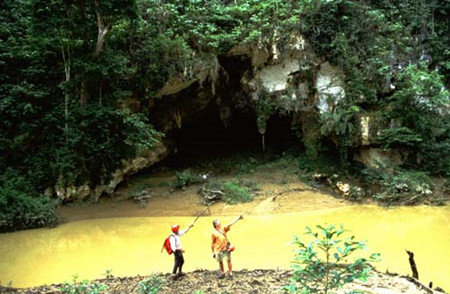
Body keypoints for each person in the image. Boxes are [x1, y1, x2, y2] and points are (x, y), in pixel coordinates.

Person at [211, 215, 243, 279]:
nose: (220, 223)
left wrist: (237, 219)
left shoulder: (223, 229)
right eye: (219, 222)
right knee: (220, 261)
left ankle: (230, 272)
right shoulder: (213, 233)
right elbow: (213, 243)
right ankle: (223, 273)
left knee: (229, 260)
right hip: (219, 250)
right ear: (216, 224)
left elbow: (229, 224)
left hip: (226, 248)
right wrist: (213, 252)